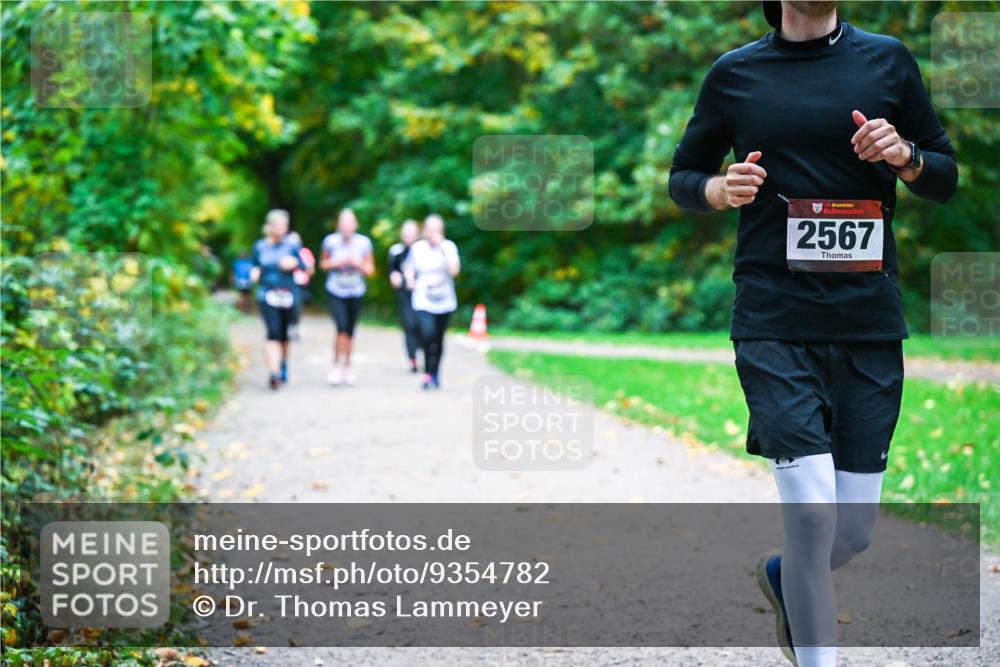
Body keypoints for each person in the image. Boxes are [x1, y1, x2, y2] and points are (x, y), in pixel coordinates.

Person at [668, 2, 956, 666]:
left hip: (866, 322)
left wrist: (906, 156)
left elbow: (944, 175)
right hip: (774, 319)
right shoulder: (735, 73)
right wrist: (721, 190)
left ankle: (784, 575)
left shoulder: (886, 61)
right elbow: (684, 179)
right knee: (811, 517)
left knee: (850, 535)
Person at [403, 214, 460, 390]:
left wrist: (442, 248)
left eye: (437, 229)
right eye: (430, 229)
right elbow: (409, 267)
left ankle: (435, 373)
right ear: (425, 231)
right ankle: (427, 372)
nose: (433, 233)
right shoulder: (417, 248)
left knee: (439, 338)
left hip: (445, 301)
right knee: (428, 334)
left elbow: (454, 270)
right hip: (423, 300)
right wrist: (410, 279)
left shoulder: (448, 247)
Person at [250, 209, 305, 390]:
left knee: (283, 334)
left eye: (284, 225)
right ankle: (273, 372)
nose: (281, 229)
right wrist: (254, 273)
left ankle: (283, 364)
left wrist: (294, 263)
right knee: (272, 332)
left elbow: (304, 266)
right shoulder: (260, 246)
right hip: (268, 293)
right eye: (278, 225)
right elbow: (255, 265)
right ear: (270, 226)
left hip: (288, 293)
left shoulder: (292, 245)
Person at [320, 208, 374, 386]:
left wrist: (357, 263)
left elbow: (370, 270)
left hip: (356, 291)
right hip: (336, 291)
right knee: (341, 328)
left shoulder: (364, 243)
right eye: (343, 223)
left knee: (350, 331)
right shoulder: (330, 241)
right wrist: (339, 262)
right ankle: (336, 366)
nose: (346, 227)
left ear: (355, 225)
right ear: (338, 225)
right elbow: (323, 264)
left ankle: (347, 367)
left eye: (350, 223)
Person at [388, 219, 422, 372]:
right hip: (404, 294)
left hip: (421, 294)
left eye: (411, 233)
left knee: (421, 324)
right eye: (406, 233)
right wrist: (395, 278)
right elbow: (392, 271)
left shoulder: (423, 250)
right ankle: (412, 358)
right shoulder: (396, 251)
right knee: (409, 324)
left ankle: (422, 351)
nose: (409, 236)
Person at [286, 231, 315, 341]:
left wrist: (305, 274)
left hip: (301, 285)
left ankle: (296, 327)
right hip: (287, 284)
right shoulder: (284, 251)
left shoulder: (305, 253)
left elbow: (310, 269)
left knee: (297, 306)